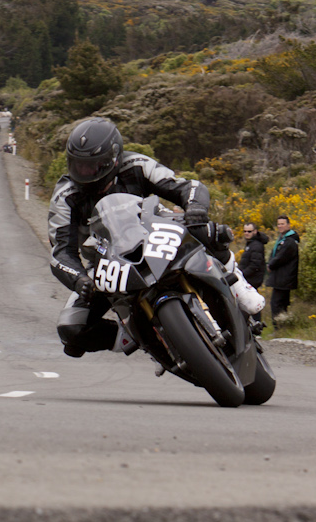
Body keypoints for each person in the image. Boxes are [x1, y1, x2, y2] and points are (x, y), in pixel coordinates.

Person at [49, 117, 264, 359]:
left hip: (157, 232)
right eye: (78, 165)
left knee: (205, 227)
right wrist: (78, 280)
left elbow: (187, 186)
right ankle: (139, 338)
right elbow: (61, 253)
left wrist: (195, 207)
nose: (85, 172)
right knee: (71, 332)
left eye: (93, 166)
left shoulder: (137, 164)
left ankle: (237, 285)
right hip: (105, 262)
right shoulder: (65, 197)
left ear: (114, 158)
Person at [266, 214, 300, 325]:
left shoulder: (290, 241)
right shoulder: (282, 239)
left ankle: (278, 327)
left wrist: (270, 265)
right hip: (281, 277)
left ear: (288, 225)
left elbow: (281, 257)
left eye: (282, 224)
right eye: (278, 224)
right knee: (281, 303)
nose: (280, 226)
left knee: (276, 303)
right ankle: (283, 326)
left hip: (284, 277)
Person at [239, 222, 269, 289]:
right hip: (248, 279)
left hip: (252, 280)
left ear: (255, 231)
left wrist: (242, 274)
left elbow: (255, 265)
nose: (246, 233)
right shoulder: (250, 243)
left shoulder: (256, 245)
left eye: (249, 231)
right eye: (245, 231)